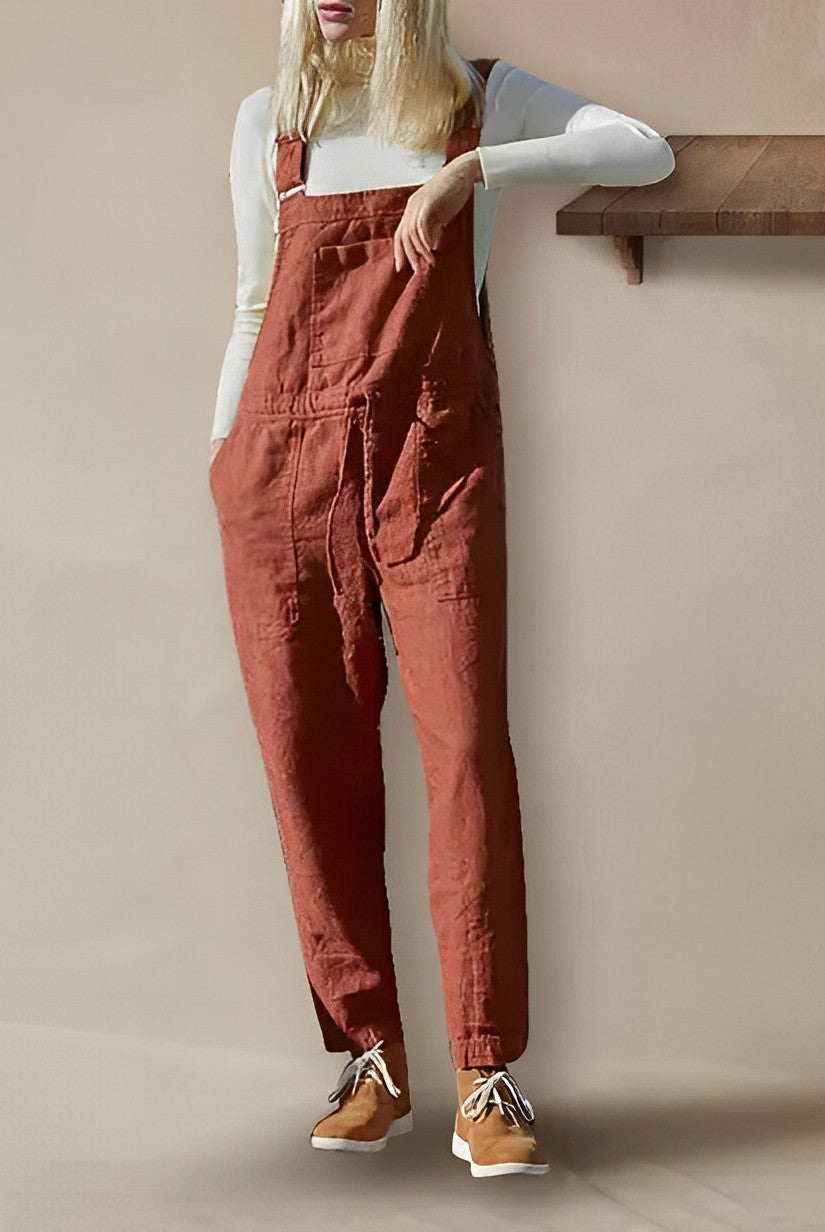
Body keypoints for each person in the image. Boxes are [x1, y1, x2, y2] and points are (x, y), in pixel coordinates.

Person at [208, 0, 675, 1179]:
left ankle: (485, 1072)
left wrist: (472, 171)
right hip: (281, 466)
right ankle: (371, 1054)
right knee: (308, 759)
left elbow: (642, 150)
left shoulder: (482, 97)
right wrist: (223, 460)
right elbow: (256, 305)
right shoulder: (275, 122)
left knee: (465, 749)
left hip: (433, 458)